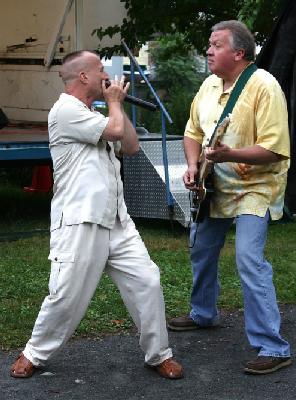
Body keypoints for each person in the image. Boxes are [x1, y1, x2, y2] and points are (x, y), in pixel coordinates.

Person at [10, 50, 183, 380]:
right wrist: (115, 103)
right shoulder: (65, 111)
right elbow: (116, 133)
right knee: (66, 295)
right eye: (100, 69)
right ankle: (34, 352)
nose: (106, 74)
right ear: (84, 77)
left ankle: (159, 353)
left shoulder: (97, 114)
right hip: (80, 220)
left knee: (147, 280)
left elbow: (130, 145)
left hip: (117, 220)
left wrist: (118, 103)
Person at [167, 20, 292, 375]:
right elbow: (192, 132)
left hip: (256, 186)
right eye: (209, 44)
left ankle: (274, 346)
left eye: (216, 45)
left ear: (238, 53)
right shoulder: (207, 85)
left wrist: (227, 156)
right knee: (202, 250)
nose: (208, 50)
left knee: (248, 259)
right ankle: (203, 313)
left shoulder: (264, 86)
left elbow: (274, 149)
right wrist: (193, 166)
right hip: (214, 186)